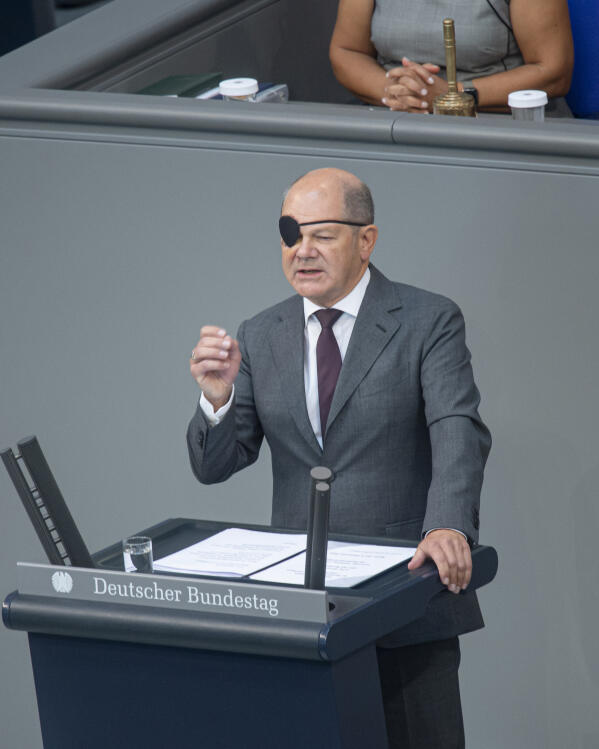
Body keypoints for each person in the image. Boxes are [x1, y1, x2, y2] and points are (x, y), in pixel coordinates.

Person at [186, 168, 491, 749]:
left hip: (402, 598)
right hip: (302, 608)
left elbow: (458, 426)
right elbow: (216, 465)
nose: (302, 250)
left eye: (321, 234)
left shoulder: (427, 319)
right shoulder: (262, 333)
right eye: (290, 234)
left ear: (366, 239)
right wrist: (217, 399)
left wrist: (448, 523)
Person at [329, 0, 574, 116]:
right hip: (392, 118)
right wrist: (395, 92)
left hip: (493, 123)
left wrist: (453, 96)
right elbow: (347, 51)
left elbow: (552, 71)